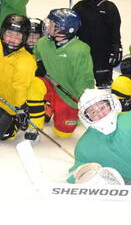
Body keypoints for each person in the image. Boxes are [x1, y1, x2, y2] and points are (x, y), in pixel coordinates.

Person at [33, 8, 95, 139]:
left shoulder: (80, 50)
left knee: (62, 134)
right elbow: (34, 58)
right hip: (49, 87)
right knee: (34, 85)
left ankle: (61, 110)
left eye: (52, 24)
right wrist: (37, 65)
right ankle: (36, 123)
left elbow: (84, 79)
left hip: (68, 96)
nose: (48, 26)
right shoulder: (43, 43)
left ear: (65, 29)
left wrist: (85, 102)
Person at [72, 0, 123, 87]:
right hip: (83, 54)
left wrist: (116, 47)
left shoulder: (110, 7)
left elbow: (115, 31)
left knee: (104, 85)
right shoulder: (78, 7)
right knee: (82, 83)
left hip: (103, 54)